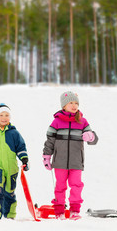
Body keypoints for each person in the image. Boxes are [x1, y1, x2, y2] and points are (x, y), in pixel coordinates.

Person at [43, 91, 98, 220]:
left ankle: (74, 210)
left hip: (76, 161)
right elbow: (50, 141)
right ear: (64, 106)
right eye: (71, 103)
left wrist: (90, 136)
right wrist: (47, 156)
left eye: (76, 103)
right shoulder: (56, 122)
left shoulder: (82, 121)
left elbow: (93, 139)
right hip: (60, 162)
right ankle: (59, 211)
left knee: (76, 184)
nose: (74, 105)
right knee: (60, 186)